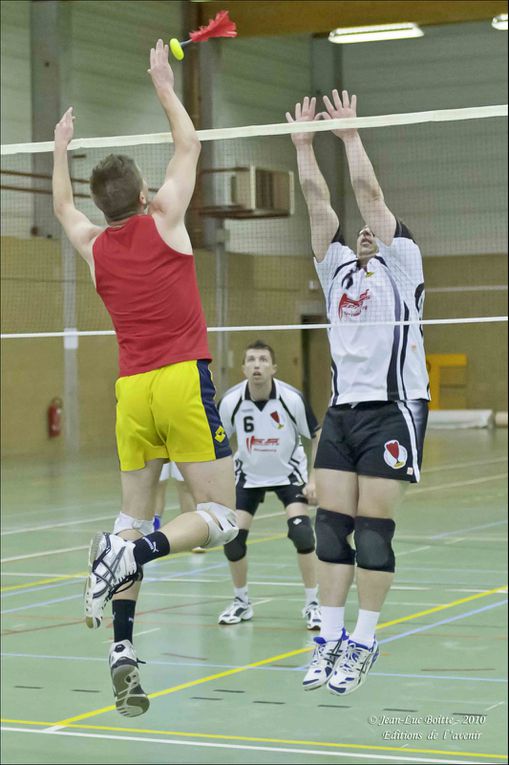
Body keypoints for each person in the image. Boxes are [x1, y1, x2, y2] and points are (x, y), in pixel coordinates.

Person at [52, 39, 238, 717]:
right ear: (143, 194)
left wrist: (58, 149)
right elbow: (188, 145)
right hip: (181, 382)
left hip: (131, 391)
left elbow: (64, 208)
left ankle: (122, 651)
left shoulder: (94, 246)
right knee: (219, 515)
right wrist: (163, 81)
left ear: (106, 205)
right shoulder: (166, 222)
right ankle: (142, 553)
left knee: (128, 518)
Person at [286, 91, 429, 695]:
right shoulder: (336, 267)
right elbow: (320, 205)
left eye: (380, 228)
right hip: (343, 414)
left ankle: (365, 641)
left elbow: (368, 196)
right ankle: (328, 642)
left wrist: (348, 137)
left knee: (372, 531)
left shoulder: (403, 264)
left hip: (393, 410)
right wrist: (301, 148)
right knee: (328, 529)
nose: (369, 227)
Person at [217, 340, 322, 630]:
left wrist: (314, 480)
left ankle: (313, 604)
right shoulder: (231, 401)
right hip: (248, 476)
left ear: (274, 368)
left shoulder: (291, 398)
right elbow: (216, 442)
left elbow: (317, 435)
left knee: (302, 533)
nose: (257, 365)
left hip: (289, 473)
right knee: (233, 539)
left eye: (263, 360)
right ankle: (241, 602)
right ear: (243, 368)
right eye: (251, 360)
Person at [154, 462, 206, 552]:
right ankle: (153, 531)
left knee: (185, 484)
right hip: (157, 448)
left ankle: (192, 534)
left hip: (181, 448)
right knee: (157, 484)